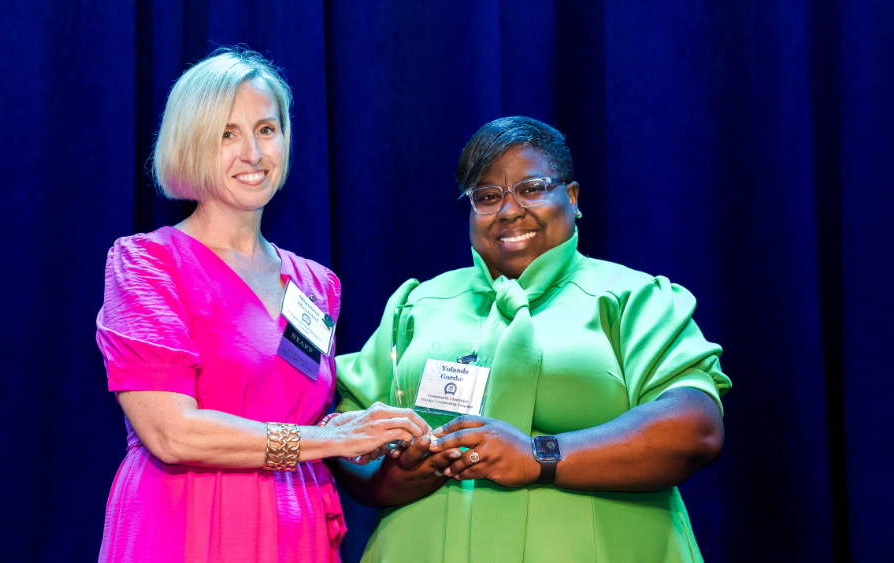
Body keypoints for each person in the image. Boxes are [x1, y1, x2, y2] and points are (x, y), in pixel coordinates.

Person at [331, 116, 732, 562]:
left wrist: (540, 454)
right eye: (487, 196)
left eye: (532, 188)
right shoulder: (417, 304)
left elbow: (695, 428)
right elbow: (342, 440)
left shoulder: (634, 299)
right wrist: (396, 477)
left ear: (573, 198)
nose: (509, 210)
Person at [94, 48, 428, 563]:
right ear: (191, 144)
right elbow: (171, 433)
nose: (252, 152)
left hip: (294, 529)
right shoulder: (149, 264)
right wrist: (324, 443)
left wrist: (351, 429)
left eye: (267, 129)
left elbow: (296, 414)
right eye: (227, 134)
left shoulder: (317, 285)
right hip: (185, 526)